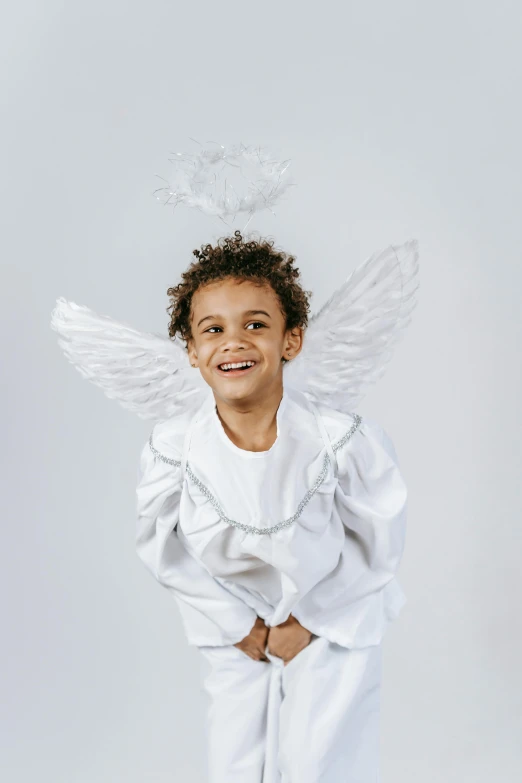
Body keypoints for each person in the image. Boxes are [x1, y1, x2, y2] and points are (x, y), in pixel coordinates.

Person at [135, 231, 412, 782]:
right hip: (234, 626)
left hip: (333, 619)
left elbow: (378, 542)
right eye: (212, 329)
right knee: (234, 758)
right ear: (191, 351)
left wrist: (307, 620)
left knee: (317, 760)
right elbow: (162, 549)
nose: (233, 342)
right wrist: (238, 623)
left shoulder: (343, 442)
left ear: (292, 339)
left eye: (256, 324)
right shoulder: (174, 450)